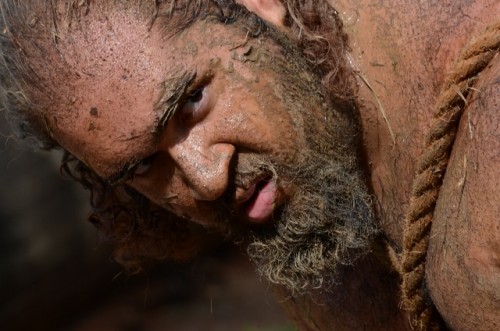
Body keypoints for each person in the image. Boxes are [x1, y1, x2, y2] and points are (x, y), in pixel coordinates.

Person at [0, 0, 498, 329]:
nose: (207, 178)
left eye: (192, 101)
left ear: (257, 5)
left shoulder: (486, 128)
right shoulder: (298, 187)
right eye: (143, 167)